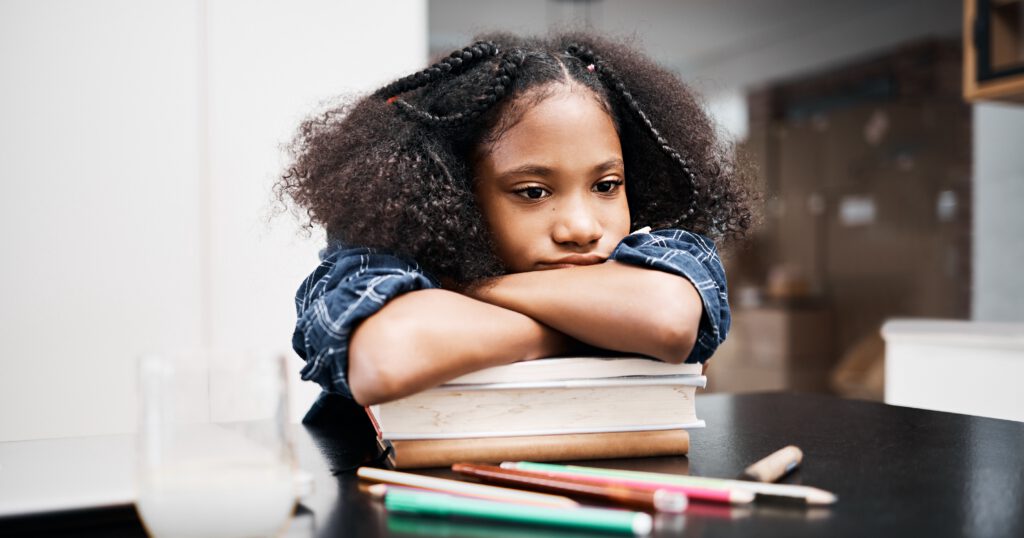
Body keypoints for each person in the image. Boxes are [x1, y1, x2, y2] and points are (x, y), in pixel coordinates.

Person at [277, 31, 753, 420]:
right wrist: (589, 326)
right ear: (456, 192)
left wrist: (469, 290)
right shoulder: (378, 257)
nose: (581, 227)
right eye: (533, 192)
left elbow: (667, 320)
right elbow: (386, 356)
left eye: (606, 185)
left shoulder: (661, 250)